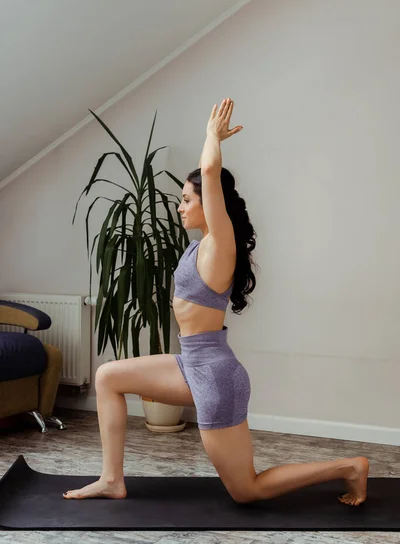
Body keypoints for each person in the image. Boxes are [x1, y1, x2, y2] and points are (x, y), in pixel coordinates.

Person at [63, 98, 369, 505]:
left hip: (215, 376)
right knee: (108, 377)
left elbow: (210, 172)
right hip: (191, 362)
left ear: (210, 204)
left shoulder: (220, 245)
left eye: (187, 200)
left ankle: (349, 467)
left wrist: (211, 138)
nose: (179, 207)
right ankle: (111, 479)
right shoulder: (199, 246)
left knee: (247, 490)